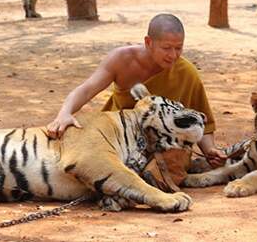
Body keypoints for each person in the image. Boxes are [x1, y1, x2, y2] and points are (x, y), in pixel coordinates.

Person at [46, 13, 226, 189]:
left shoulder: (187, 73)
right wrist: (64, 113)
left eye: (178, 48)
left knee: (171, 165)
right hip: (118, 138)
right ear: (149, 42)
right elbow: (87, 89)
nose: (173, 55)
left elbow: (204, 122)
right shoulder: (121, 59)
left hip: (159, 146)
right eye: (166, 48)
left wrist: (210, 150)